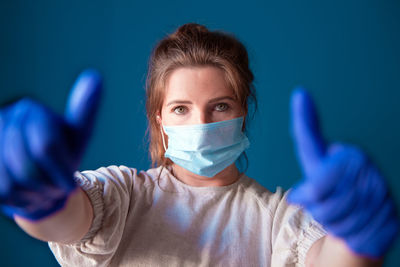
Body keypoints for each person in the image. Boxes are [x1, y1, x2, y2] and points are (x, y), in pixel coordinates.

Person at [0, 23, 398, 267]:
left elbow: (323, 260)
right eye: (181, 109)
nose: (201, 123)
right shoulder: (124, 195)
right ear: (159, 118)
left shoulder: (279, 219)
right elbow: (70, 222)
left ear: (244, 110)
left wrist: (354, 242)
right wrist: (42, 200)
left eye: (220, 106)